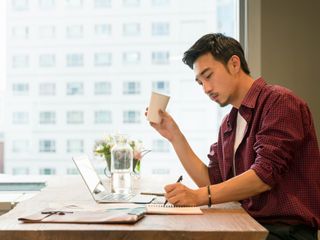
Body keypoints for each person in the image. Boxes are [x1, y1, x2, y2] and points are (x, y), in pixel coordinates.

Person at [147, 33, 320, 240]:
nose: (206, 89)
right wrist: (175, 136)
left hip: (284, 233)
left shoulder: (280, 102)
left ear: (234, 64)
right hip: (249, 225)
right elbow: (212, 181)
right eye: (200, 83)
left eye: (208, 75)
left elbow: (264, 175)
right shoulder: (229, 123)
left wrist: (197, 196)